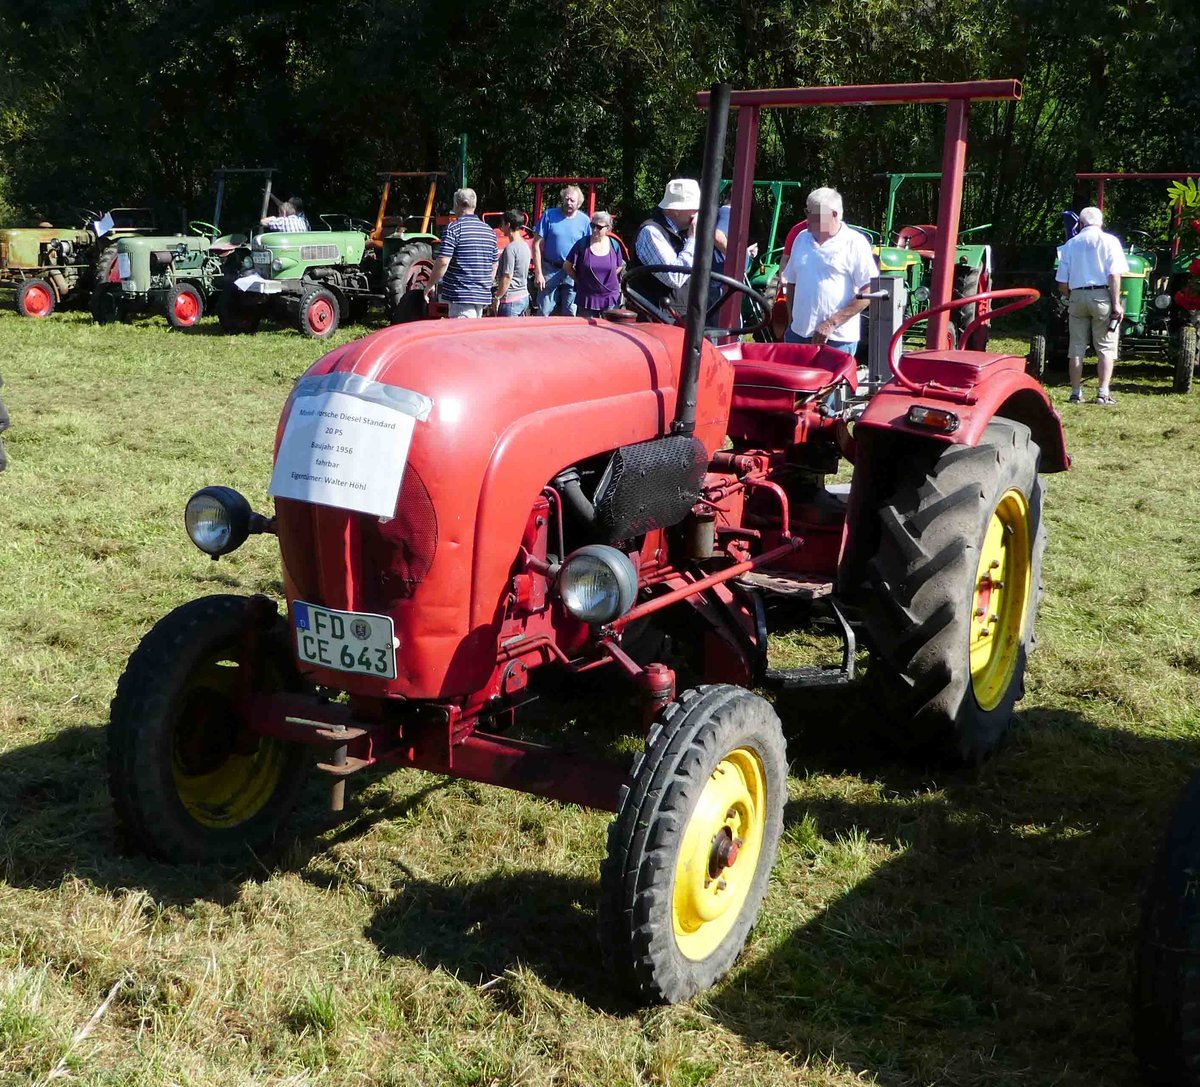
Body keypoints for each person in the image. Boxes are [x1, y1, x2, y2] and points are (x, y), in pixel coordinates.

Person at [780, 187, 878, 358]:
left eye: (813, 213)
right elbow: (792, 283)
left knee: (829, 385)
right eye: (807, 211)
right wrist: (793, 322)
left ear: (833, 214)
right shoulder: (801, 238)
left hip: (837, 340)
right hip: (798, 336)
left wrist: (832, 323)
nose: (807, 218)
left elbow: (869, 290)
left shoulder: (854, 243)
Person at [1056, 205, 1129, 405]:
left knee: (1076, 348)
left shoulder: (1071, 244)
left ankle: (1076, 392)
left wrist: (1074, 296)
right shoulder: (1110, 241)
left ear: (1080, 223)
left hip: (1077, 296)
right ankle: (1103, 392)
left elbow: (1062, 283)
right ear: (1101, 223)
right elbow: (1114, 275)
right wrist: (1116, 304)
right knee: (1105, 347)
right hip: (1102, 296)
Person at [628, 178, 701, 315]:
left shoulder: (683, 233)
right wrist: (692, 239)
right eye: (694, 208)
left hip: (679, 319)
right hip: (655, 322)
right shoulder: (651, 232)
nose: (697, 213)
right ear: (675, 210)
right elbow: (674, 278)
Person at [423, 187, 498, 319]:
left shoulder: (454, 228)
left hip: (460, 297)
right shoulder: (489, 231)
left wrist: (429, 285)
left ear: (456, 204)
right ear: (474, 205)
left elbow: (443, 261)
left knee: (464, 338)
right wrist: (483, 285)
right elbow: (494, 264)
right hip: (482, 298)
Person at [533, 185, 592, 316]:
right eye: (566, 199)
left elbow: (589, 249)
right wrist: (538, 273)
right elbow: (536, 244)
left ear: (579, 203)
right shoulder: (549, 215)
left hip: (572, 272)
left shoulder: (585, 221)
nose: (568, 203)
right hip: (549, 269)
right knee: (544, 312)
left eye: (572, 201)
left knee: (570, 313)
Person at [563, 211, 624, 317]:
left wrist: (607, 277)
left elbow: (619, 266)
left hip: (610, 297)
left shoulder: (615, 245)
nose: (595, 230)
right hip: (587, 297)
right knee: (585, 332)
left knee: (609, 331)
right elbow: (567, 266)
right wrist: (579, 280)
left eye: (599, 227)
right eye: (592, 226)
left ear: (608, 229)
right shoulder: (582, 244)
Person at [490, 210, 532, 317]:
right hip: (524, 297)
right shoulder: (525, 246)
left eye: (502, 224)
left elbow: (507, 276)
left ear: (508, 225)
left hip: (511, 300)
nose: (501, 227)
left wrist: (497, 297)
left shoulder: (511, 248)